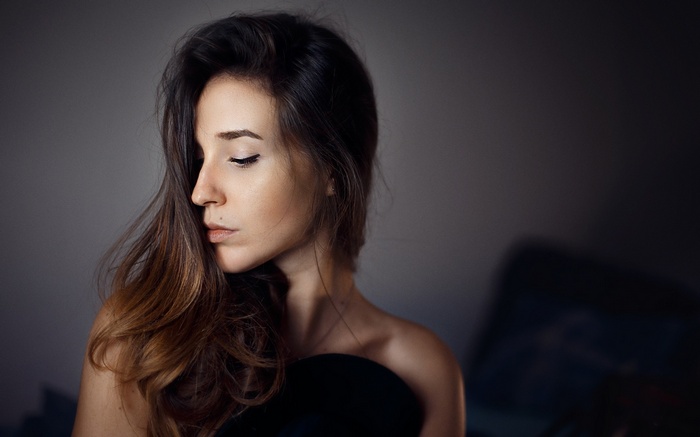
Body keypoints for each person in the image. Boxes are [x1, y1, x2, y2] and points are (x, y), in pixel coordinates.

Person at [72, 12, 466, 437]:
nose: (201, 192)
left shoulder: (421, 369)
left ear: (332, 169)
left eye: (241, 157)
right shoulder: (146, 335)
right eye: (199, 159)